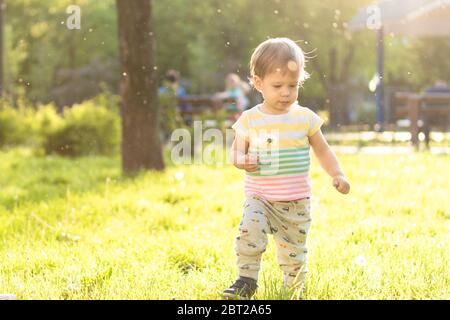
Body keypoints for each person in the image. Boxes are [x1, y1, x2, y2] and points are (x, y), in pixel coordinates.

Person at [223, 38, 351, 300]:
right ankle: (246, 281)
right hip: (259, 197)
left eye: (292, 86)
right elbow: (235, 151)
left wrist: (337, 174)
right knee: (249, 232)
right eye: (277, 86)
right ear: (258, 83)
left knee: (293, 251)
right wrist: (241, 159)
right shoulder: (250, 119)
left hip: (295, 203)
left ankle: (293, 290)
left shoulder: (304, 118)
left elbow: (323, 150)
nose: (286, 93)